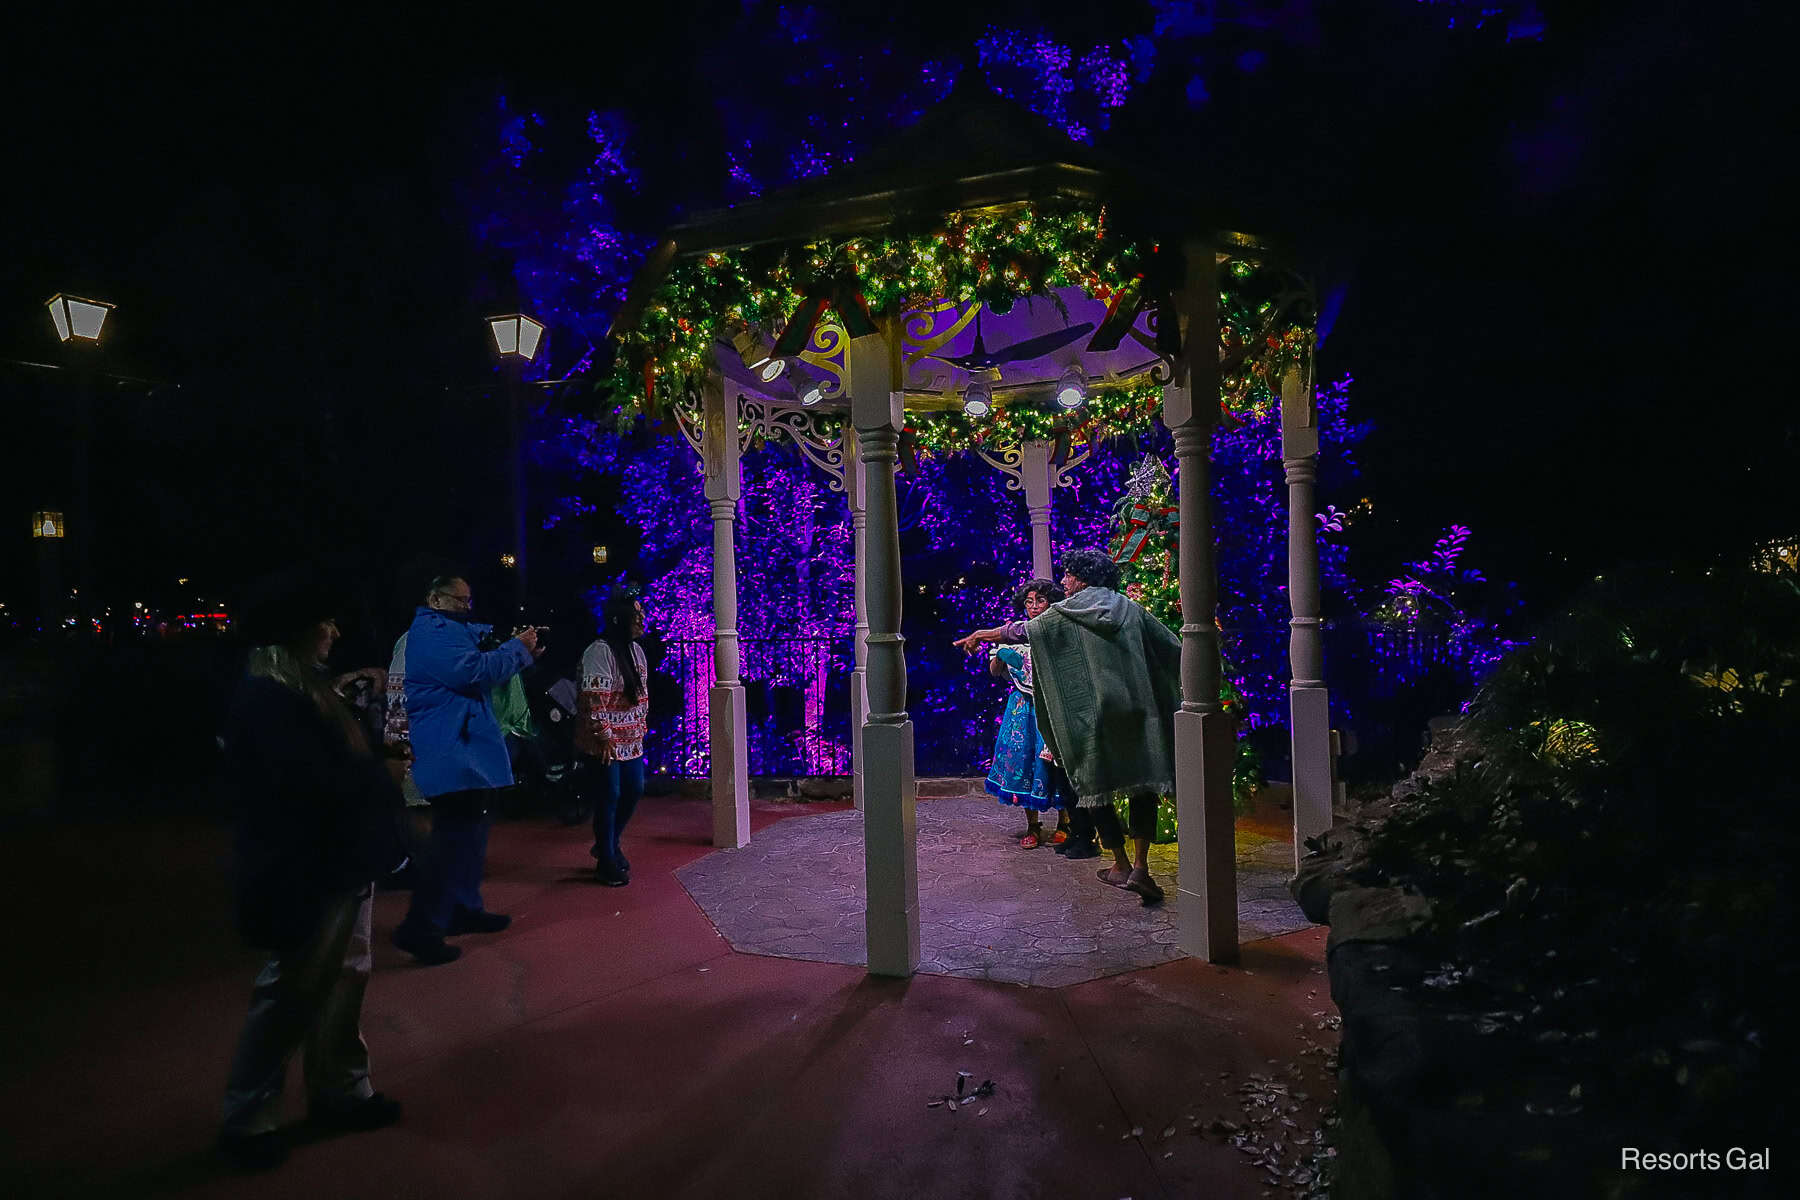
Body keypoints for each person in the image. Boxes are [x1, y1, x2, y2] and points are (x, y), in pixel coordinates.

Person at [218, 577, 408, 1170]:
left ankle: (341, 1089)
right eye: (324, 622)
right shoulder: (270, 700)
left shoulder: (301, 689)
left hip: (340, 861)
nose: (334, 630)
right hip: (307, 868)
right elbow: (303, 787)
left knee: (346, 977)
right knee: (292, 991)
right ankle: (248, 1117)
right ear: (296, 632)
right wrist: (374, 782)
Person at [955, 547, 1181, 903]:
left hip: (1093, 717)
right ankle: (1141, 866)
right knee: (1143, 785)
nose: (1064, 580)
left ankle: (1120, 864)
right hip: (1138, 712)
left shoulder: (1066, 613)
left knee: (1093, 786)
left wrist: (982, 634)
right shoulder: (1129, 608)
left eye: (1068, 574)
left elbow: (1020, 632)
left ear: (1082, 578)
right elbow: (1172, 646)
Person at [391, 576, 541, 964]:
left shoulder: (447, 632)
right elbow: (472, 672)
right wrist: (517, 649)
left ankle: (461, 909)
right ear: (434, 598)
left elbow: (479, 664)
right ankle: (421, 928)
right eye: (459, 600)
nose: (465, 607)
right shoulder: (433, 633)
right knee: (451, 843)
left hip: (461, 749)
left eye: (468, 600)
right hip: (452, 750)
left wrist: (515, 650)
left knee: (467, 836)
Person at [983, 578, 1072, 849]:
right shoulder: (1015, 634)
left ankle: (1065, 821)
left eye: (1040, 601)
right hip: (1022, 710)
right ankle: (1032, 824)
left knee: (1054, 762)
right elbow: (994, 670)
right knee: (1023, 761)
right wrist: (1002, 657)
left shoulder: (1057, 632)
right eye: (1029, 602)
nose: (1033, 606)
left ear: (1051, 603)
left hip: (1052, 706)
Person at [577, 591, 650, 886]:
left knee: (634, 789)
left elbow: (642, 695)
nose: (642, 619)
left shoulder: (637, 651)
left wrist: (641, 726)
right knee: (610, 794)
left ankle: (608, 843)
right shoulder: (600, 652)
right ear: (620, 619)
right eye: (636, 615)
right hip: (605, 741)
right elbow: (595, 698)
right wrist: (604, 734)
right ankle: (606, 858)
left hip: (630, 737)